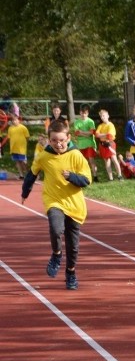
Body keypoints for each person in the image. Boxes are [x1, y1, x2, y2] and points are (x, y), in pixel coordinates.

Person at [21, 118, 91, 290]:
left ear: (68, 138)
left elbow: (86, 180)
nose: (58, 144)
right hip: (54, 201)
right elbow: (32, 174)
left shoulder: (76, 155)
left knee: (73, 247)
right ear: (49, 140)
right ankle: (57, 254)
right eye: (53, 140)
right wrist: (25, 192)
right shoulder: (44, 156)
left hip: (75, 205)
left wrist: (71, 176)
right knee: (55, 228)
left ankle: (71, 273)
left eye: (61, 140)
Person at [72, 105, 99, 182]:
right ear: (80, 113)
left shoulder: (90, 121)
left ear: (87, 113)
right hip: (81, 145)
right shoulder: (77, 122)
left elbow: (91, 133)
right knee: (83, 161)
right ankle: (85, 176)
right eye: (82, 113)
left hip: (90, 144)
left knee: (91, 160)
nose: (83, 115)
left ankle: (95, 176)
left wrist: (82, 132)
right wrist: (86, 133)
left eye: (85, 113)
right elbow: (77, 133)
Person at [95, 109, 122, 181]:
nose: (102, 117)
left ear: (108, 116)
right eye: (101, 116)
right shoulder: (100, 126)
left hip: (110, 144)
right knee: (107, 161)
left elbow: (110, 136)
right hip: (102, 144)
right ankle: (111, 178)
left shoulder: (111, 125)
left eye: (104, 116)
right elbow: (97, 135)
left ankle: (119, 175)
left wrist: (103, 135)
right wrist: (105, 135)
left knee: (114, 159)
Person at [5, 113, 30, 179]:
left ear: (18, 120)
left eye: (15, 120)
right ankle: (21, 174)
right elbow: (9, 137)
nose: (14, 121)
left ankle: (28, 173)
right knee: (17, 161)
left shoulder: (23, 128)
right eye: (13, 120)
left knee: (23, 161)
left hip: (21, 148)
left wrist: (24, 144)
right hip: (13, 148)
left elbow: (27, 137)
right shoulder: (10, 128)